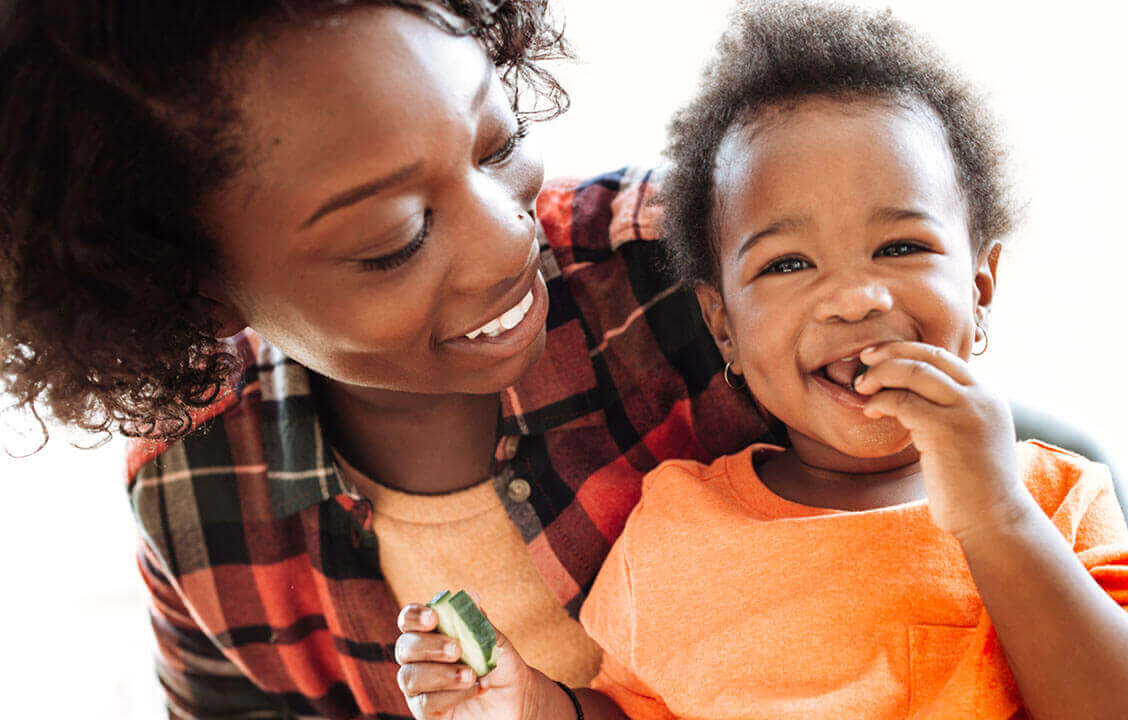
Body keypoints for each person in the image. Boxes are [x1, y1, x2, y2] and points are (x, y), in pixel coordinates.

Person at [392, 3, 1128, 719]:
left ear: (981, 288)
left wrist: (997, 518)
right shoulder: (674, 524)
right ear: (724, 330)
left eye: (900, 246)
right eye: (787, 264)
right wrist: (534, 704)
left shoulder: (1054, 500)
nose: (853, 299)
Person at [0, 1, 779, 717]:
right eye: (397, 239)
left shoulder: (710, 277)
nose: (509, 236)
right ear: (194, 292)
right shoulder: (192, 490)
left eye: (498, 142)